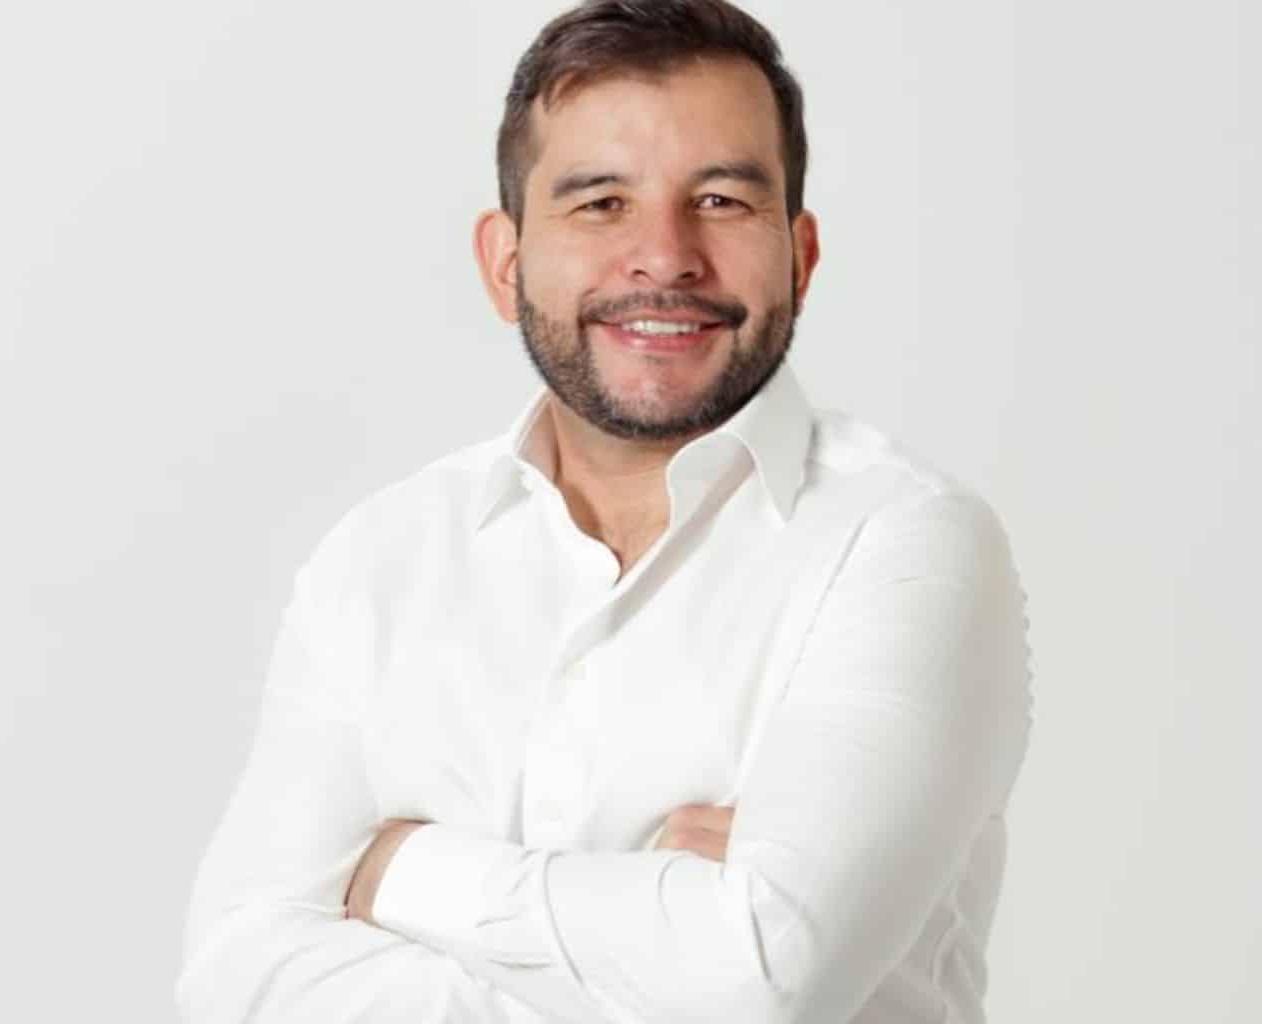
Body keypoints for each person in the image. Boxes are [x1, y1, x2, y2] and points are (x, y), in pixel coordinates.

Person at [176, 1, 1032, 1021]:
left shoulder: (903, 543)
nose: (663, 256)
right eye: (600, 203)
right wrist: (671, 935)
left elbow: (764, 979)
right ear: (505, 263)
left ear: (799, 257)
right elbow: (234, 981)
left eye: (719, 200)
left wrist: (402, 872)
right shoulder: (382, 558)